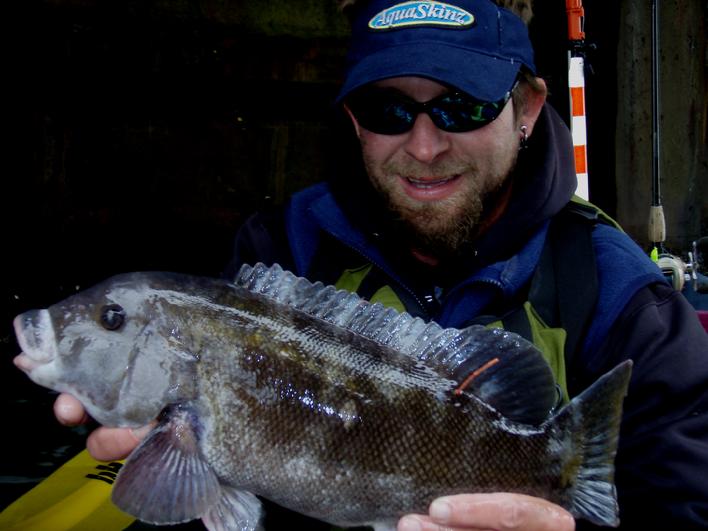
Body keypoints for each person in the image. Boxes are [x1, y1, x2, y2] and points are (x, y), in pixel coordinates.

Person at [51, 0, 708, 529]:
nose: (424, 146)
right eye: (387, 110)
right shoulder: (277, 252)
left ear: (528, 108)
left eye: (462, 105)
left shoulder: (629, 307)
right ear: (353, 121)